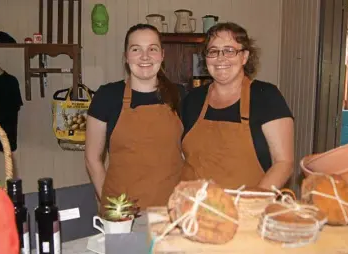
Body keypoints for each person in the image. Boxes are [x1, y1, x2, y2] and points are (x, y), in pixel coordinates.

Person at [181, 22, 294, 190]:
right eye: (213, 51)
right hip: (195, 208)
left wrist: (253, 200)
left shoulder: (266, 96)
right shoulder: (192, 99)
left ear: (245, 56)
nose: (221, 58)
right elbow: (183, 158)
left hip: (248, 209)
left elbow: (284, 163)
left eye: (229, 50)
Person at [85, 24, 185, 211]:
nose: (145, 56)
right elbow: (92, 158)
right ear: (126, 56)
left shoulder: (180, 95)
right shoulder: (107, 96)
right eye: (136, 49)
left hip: (172, 211)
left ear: (162, 55)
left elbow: (188, 154)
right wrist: (112, 206)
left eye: (152, 49)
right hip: (123, 211)